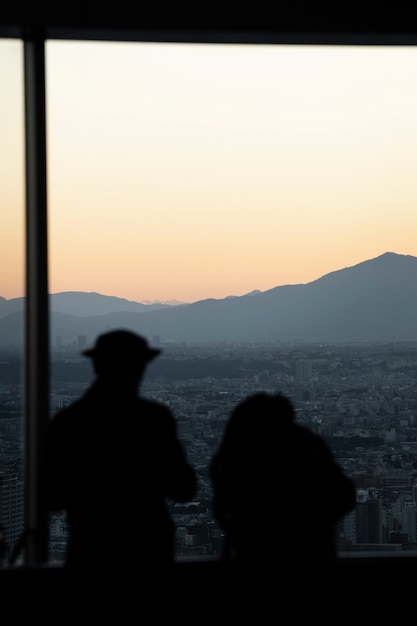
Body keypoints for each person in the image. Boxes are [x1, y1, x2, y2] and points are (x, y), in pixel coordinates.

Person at [43, 329, 197, 607]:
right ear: (140, 367)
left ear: (96, 365)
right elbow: (185, 489)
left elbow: (51, 495)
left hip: (90, 550)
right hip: (149, 551)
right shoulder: (154, 419)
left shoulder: (69, 421)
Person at [209, 392, 356, 624]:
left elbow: (220, 500)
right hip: (311, 558)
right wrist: (317, 527)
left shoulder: (242, 449)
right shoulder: (308, 444)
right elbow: (346, 495)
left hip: (254, 559)